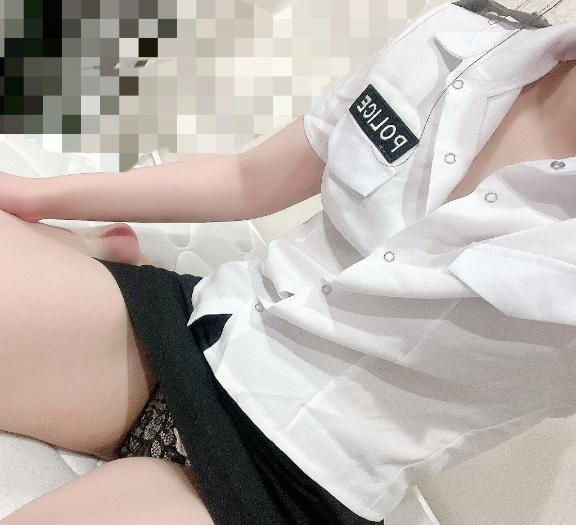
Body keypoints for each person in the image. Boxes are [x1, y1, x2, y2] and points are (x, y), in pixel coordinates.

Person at [1, 0, 576, 523]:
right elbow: (247, 178)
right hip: (196, 327)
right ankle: (111, 259)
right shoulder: (462, 39)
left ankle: (106, 257)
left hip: (291, 479)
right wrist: (37, 195)